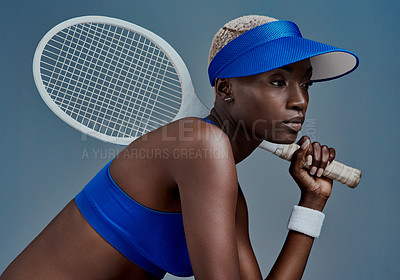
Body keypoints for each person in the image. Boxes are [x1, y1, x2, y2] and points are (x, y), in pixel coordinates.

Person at [1, 15, 358, 279]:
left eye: (306, 84)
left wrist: (312, 203)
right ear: (225, 89)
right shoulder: (202, 146)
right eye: (278, 81)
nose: (299, 101)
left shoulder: (227, 192)